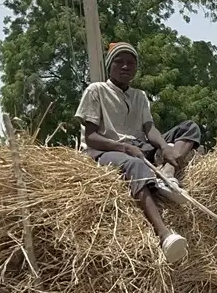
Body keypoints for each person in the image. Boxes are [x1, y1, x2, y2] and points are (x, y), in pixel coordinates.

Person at [74, 42, 203, 263]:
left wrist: (165, 148)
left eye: (131, 63)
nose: (125, 67)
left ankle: (167, 175)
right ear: (110, 66)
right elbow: (91, 137)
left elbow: (149, 129)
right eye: (119, 62)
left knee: (189, 128)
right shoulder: (96, 91)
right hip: (104, 149)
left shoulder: (140, 96)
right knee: (136, 164)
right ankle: (164, 234)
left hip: (138, 145)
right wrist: (125, 147)